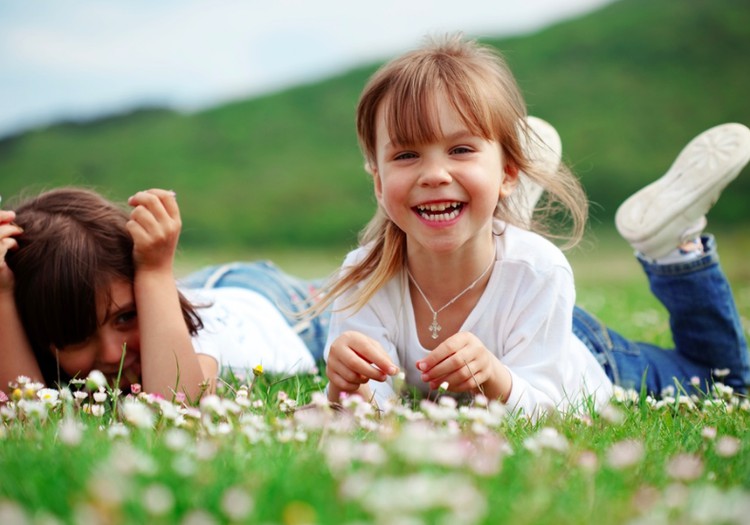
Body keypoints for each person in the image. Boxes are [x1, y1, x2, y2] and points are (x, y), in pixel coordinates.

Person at [320, 34, 750, 417]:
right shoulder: (365, 276)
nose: (433, 174)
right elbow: (370, 409)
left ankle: (673, 246)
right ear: (378, 182)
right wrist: (346, 386)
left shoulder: (541, 270)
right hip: (520, 301)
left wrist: (496, 380)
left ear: (509, 171)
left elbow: (551, 404)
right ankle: (493, 215)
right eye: (406, 155)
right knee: (516, 274)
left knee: (723, 382)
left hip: (586, 357)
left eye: (462, 149)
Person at [0, 187, 329, 399]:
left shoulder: (186, 333)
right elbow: (23, 410)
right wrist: (2, 295)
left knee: (351, 300)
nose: (114, 353)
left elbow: (175, 408)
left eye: (126, 317)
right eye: (76, 336)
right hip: (203, 288)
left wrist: (155, 270)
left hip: (278, 308)